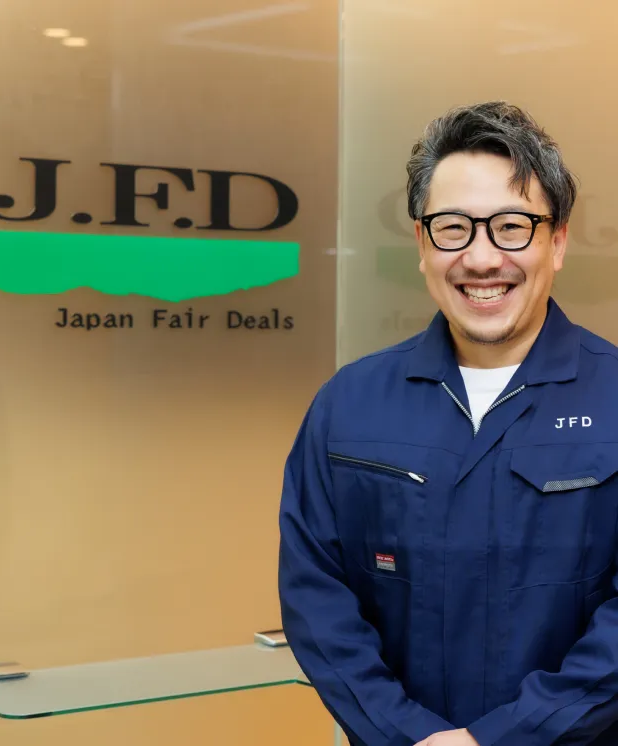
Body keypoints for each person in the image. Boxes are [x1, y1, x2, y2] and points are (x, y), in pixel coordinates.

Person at [278, 101, 618, 746]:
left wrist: (505, 737)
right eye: (453, 228)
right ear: (421, 243)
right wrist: (405, 734)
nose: (482, 258)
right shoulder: (348, 404)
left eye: (512, 226)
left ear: (557, 242)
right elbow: (316, 599)